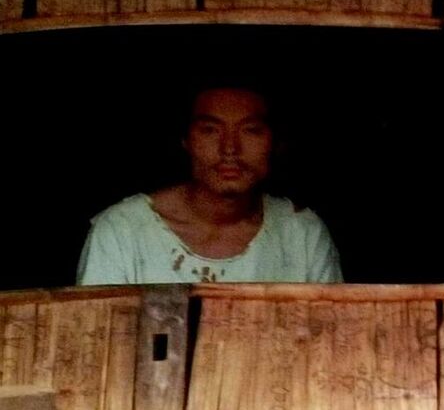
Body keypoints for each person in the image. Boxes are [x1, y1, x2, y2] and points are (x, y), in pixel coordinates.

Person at [77, 81, 343, 284]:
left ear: (275, 143)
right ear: (186, 140)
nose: (230, 148)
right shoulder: (123, 230)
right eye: (210, 130)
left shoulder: (302, 234)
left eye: (250, 130)